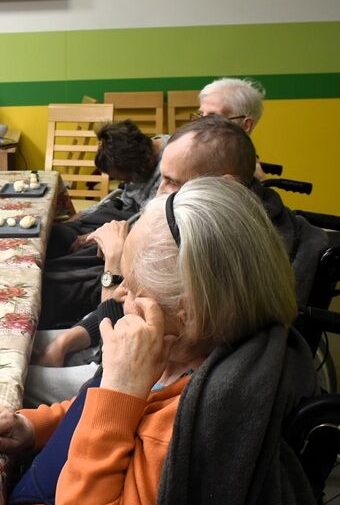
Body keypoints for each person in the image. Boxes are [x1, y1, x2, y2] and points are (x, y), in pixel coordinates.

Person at [0, 177, 325, 505]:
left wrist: (120, 392)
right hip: (36, 493)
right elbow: (86, 410)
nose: (119, 293)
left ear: (186, 314)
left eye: (135, 288)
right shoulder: (174, 360)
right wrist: (32, 426)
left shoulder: (173, 431)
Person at [27, 116, 327, 406]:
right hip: (122, 342)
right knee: (21, 345)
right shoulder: (201, 223)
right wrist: (66, 342)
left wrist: (115, 267)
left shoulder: (222, 251)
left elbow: (121, 347)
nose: (158, 193)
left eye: (171, 181)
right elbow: (126, 304)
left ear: (225, 185)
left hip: (137, 374)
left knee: (19, 376)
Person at [46, 120, 167, 259]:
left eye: (127, 178)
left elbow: (152, 224)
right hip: (124, 214)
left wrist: (99, 237)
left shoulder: (170, 168)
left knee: (79, 254)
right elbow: (124, 199)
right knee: (58, 234)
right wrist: (84, 213)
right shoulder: (142, 151)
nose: (127, 183)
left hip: (143, 228)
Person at [195, 77, 267, 178]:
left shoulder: (247, 177)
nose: (201, 123)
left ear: (246, 125)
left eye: (213, 116)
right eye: (201, 114)